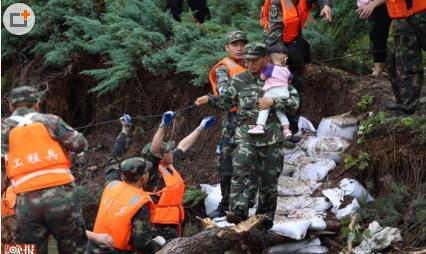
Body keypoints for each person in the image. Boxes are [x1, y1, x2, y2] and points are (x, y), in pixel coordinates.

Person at [195, 42, 300, 229]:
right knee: (241, 168)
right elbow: (227, 102)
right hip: (245, 135)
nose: (250, 64)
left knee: (269, 181)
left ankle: (264, 221)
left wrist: (273, 103)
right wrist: (210, 99)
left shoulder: (278, 76)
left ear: (266, 58)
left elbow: (294, 102)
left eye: (254, 60)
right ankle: (238, 212)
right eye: (247, 60)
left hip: (272, 137)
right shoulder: (239, 80)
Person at [1, 86, 88, 253]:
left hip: (26, 201)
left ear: (11, 106)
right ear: (37, 104)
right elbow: (80, 144)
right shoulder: (50, 121)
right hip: (62, 196)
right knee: (75, 248)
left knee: (26, 250)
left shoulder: (3, 129)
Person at [260, 0, 332, 137]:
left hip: (294, 46)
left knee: (296, 91)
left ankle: (291, 131)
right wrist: (280, 63)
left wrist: (326, 5)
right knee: (278, 92)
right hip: (278, 52)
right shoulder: (277, 3)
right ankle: (273, 132)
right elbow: (274, 35)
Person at [208, 31, 258, 219]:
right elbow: (225, 92)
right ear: (227, 48)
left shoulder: (256, 65)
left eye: (243, 44)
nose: (239, 48)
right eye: (235, 44)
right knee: (226, 165)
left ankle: (247, 202)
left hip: (253, 122)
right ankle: (225, 203)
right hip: (231, 125)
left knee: (251, 164)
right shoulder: (224, 69)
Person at [142, 111, 216, 238]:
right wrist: (163, 125)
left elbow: (183, 146)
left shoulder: (168, 162)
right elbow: (154, 149)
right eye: (168, 150)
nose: (171, 152)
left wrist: (200, 127)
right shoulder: (152, 169)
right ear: (160, 156)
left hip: (172, 221)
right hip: (156, 224)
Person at [89, 157, 166, 254]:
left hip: (93, 244)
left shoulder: (112, 185)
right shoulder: (140, 204)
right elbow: (143, 245)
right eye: (147, 171)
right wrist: (160, 245)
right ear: (143, 177)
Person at [384, 0, 425, 114]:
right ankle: (404, 102)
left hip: (414, 15)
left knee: (409, 64)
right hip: (400, 17)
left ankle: (409, 105)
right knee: (393, 63)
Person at [248, 44, 294, 139]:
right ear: (285, 59)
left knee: (264, 107)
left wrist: (264, 73)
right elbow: (290, 80)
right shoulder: (287, 69)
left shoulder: (270, 67)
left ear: (268, 58)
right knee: (280, 112)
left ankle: (260, 126)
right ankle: (287, 130)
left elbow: (262, 77)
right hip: (284, 92)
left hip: (272, 91)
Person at [357, 0, 392, 78]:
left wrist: (372, 4)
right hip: (375, 6)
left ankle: (399, 66)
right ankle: (378, 68)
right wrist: (364, 4)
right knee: (376, 34)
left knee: (400, 34)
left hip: (398, 6)